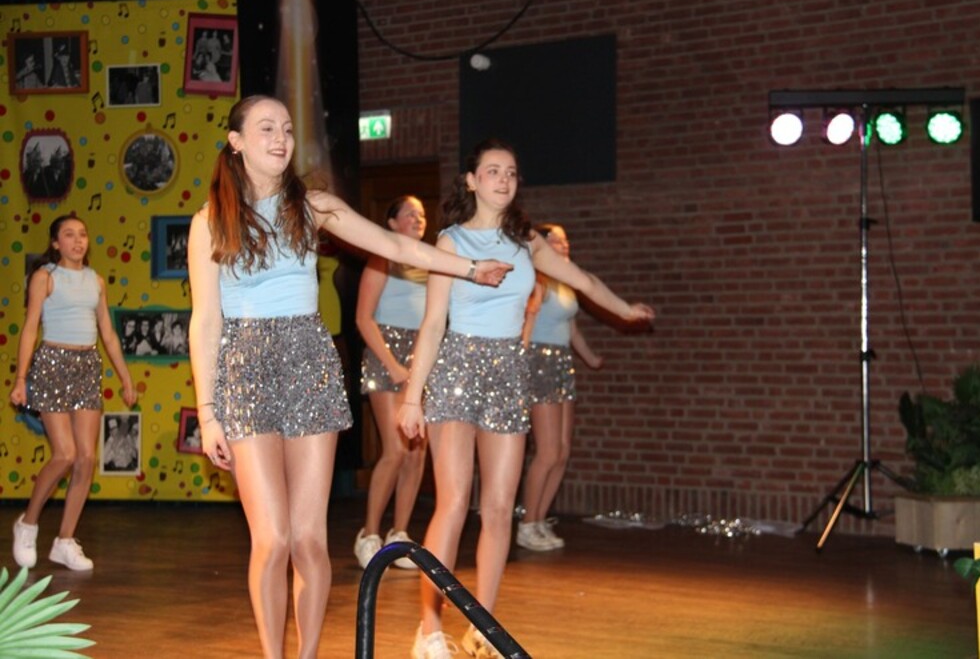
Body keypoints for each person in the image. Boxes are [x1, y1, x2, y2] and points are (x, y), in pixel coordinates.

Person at [186, 95, 511, 659]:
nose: (281, 139)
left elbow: (394, 244)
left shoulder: (312, 206)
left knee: (309, 539)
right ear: (235, 142)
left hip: (308, 362)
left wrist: (469, 268)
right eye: (266, 128)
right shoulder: (209, 221)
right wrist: (208, 412)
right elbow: (205, 321)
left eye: (287, 129)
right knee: (273, 539)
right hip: (244, 369)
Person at [399, 138, 654, 659]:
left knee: (498, 508)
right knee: (453, 503)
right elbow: (432, 324)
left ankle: (482, 628)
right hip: (458, 368)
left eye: (511, 172)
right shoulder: (450, 242)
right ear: (472, 181)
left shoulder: (527, 242)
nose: (503, 179)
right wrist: (411, 397)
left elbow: (583, 280)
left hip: (509, 372)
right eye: (492, 171)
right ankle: (429, 628)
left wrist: (624, 308)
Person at [9, 214, 137, 572]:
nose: (78, 241)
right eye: (69, 235)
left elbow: (107, 333)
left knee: (86, 458)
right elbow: (30, 327)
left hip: (86, 367)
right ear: (56, 243)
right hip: (53, 364)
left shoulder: (95, 280)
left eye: (82, 234)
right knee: (64, 454)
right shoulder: (45, 277)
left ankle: (64, 541)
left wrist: (126, 378)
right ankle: (28, 523)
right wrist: (21, 379)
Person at [353, 195, 430, 570]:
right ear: (392, 222)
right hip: (387, 357)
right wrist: (394, 365)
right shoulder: (382, 258)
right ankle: (368, 534)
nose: (418, 218)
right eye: (410, 213)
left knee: (417, 453)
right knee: (396, 449)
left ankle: (399, 534)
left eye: (422, 214)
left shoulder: (431, 261)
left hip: (420, 359)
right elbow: (363, 318)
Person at [517, 223, 604, 551]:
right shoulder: (538, 279)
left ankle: (539, 519)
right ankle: (527, 524)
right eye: (555, 240)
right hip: (539, 362)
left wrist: (591, 358)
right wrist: (519, 366)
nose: (563, 245)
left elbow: (571, 328)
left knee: (563, 450)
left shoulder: (567, 281)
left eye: (566, 240)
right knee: (548, 450)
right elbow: (526, 322)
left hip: (562, 362)